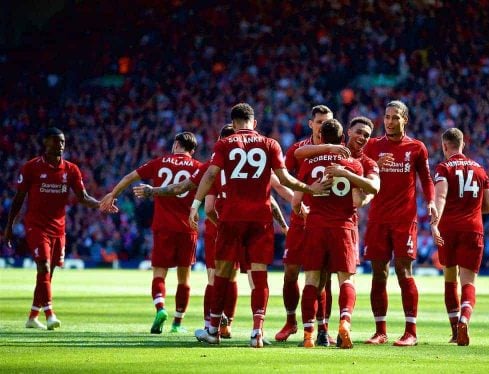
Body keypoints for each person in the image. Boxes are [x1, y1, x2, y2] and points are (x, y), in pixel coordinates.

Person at [133, 124, 292, 340]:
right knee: (253, 277)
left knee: (215, 278)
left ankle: (212, 325)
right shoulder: (257, 162)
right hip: (256, 222)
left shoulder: (213, 166)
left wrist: (155, 192)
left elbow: (206, 206)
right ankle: (252, 330)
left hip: (223, 227)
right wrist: (286, 222)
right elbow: (274, 195)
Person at [190, 103, 330, 348]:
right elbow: (284, 179)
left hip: (231, 217)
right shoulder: (270, 144)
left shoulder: (224, 144)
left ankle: (213, 329)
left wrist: (195, 205)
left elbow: (210, 175)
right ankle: (257, 332)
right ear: (254, 123)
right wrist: (309, 189)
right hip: (260, 218)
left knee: (222, 272)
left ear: (233, 125)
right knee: (259, 274)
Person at [3, 127, 114, 330]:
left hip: (59, 229)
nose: (60, 145)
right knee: (44, 267)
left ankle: (32, 317)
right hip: (36, 226)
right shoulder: (31, 168)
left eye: (62, 141)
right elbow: (18, 199)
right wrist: (9, 227)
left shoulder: (71, 170)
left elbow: (83, 198)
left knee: (47, 274)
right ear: (45, 143)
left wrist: (100, 204)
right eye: (56, 141)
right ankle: (50, 314)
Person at [99, 132, 202, 334]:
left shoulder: (160, 162)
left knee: (159, 273)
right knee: (184, 278)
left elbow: (130, 177)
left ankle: (160, 308)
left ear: (176, 144)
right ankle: (177, 324)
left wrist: (113, 194)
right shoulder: (198, 167)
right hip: (187, 228)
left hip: (163, 226)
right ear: (193, 150)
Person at [362, 100, 437, 346]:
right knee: (378, 274)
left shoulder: (416, 147)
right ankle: (380, 331)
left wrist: (431, 202)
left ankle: (411, 332)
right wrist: (372, 167)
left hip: (404, 220)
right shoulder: (372, 146)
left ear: (405, 119)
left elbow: (426, 179)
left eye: (395, 117)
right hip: (378, 219)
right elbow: (357, 172)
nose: (389, 121)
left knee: (404, 272)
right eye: (386, 116)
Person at [295, 118, 364, 349]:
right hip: (342, 226)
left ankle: (308, 335)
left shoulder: (308, 162)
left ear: (321, 138)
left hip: (315, 225)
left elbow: (296, 202)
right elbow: (357, 200)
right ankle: (344, 321)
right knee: (346, 278)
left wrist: (305, 210)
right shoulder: (352, 163)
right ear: (342, 137)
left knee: (312, 280)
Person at [275, 104, 336, 346]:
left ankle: (323, 328)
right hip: (300, 220)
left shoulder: (339, 151)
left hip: (326, 221)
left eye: (328, 122)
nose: (323, 126)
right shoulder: (297, 150)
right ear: (311, 123)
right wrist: (297, 202)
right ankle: (291, 321)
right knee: (291, 272)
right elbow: (280, 179)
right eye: (320, 122)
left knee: (325, 278)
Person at [430, 128, 489, 346]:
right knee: (469, 282)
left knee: (449, 278)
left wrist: (435, 224)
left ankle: (455, 331)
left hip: (449, 230)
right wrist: (470, 209)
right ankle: (465, 319)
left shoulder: (443, 167)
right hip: (473, 229)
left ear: (445, 146)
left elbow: (441, 196)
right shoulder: (480, 170)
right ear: (463, 144)